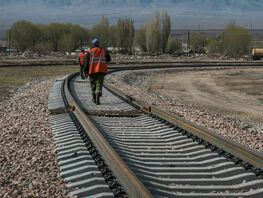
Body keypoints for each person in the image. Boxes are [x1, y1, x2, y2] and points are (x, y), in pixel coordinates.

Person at [84, 39, 111, 105]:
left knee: (93, 85)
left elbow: (86, 63)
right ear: (98, 43)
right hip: (101, 70)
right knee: (99, 84)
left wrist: (85, 72)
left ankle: (94, 98)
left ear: (93, 44)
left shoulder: (89, 52)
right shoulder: (104, 50)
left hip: (92, 71)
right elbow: (108, 59)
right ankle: (97, 99)